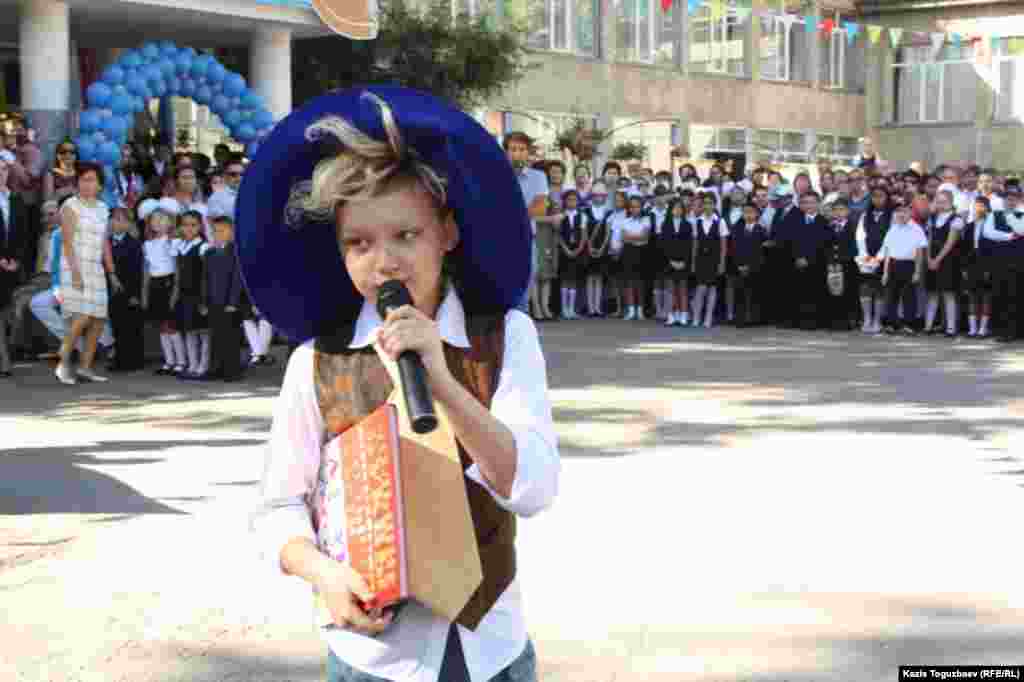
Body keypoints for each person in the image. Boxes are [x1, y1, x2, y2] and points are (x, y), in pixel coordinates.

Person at [244, 86, 558, 682]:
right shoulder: (316, 361)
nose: (383, 261)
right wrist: (321, 574)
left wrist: (443, 380)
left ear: (447, 233)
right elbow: (278, 505)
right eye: (359, 243)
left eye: (405, 236)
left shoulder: (504, 338)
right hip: (373, 658)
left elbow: (536, 487)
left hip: (491, 649)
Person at [55, 162, 114, 384]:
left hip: (95, 267)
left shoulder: (102, 208)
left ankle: (85, 368)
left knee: (98, 319)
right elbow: (67, 243)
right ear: (77, 182)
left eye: (92, 180)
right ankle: (62, 364)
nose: (87, 184)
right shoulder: (70, 206)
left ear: (99, 185)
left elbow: (104, 241)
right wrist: (76, 273)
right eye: (83, 179)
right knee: (81, 317)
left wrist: (111, 270)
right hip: (74, 266)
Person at [504, 132, 548, 316]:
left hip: (525, 238)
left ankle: (519, 328)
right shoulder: (496, 175)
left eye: (522, 149)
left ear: (528, 152)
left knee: (524, 287)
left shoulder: (538, 177)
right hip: (501, 239)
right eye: (513, 149)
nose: (517, 153)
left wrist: (510, 212)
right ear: (505, 152)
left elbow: (539, 209)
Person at [141, 208, 186, 374]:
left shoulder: (172, 241)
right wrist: (144, 294)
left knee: (171, 325)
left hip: (169, 282)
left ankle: (181, 361)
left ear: (170, 223)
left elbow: (177, 268)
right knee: (161, 326)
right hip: (155, 284)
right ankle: (169, 361)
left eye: (162, 219)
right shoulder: (147, 244)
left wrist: (175, 290)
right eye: (154, 220)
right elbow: (146, 270)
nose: (158, 223)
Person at [202, 215, 246, 381]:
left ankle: (232, 370)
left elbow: (237, 279)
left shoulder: (235, 252)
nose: (218, 233)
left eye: (222, 230)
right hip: (214, 301)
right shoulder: (209, 253)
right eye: (215, 231)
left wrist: (233, 302)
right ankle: (216, 368)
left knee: (231, 338)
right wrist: (204, 301)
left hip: (229, 303)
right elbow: (204, 279)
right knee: (216, 337)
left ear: (231, 232)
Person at [171, 210, 211, 380]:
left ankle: (203, 365)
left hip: (199, 295)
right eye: (185, 225)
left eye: (193, 225)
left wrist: (204, 299)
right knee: (188, 331)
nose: (188, 228)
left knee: (204, 332)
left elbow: (206, 275)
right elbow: (178, 273)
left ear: (200, 226)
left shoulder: (203, 246)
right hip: (184, 295)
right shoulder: (179, 246)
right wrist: (175, 293)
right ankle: (192, 364)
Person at [0, 159, 29, 378]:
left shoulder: (16, 199)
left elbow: (24, 233)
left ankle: (7, 355)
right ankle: (4, 361)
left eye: (3, 169)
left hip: (13, 266)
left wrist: (17, 260)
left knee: (12, 312)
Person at [107, 207, 145, 371]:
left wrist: (134, 294)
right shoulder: (106, 243)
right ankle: (120, 359)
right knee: (117, 326)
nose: (118, 223)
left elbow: (137, 271)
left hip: (129, 290)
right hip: (112, 292)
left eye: (123, 220)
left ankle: (133, 360)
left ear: (129, 224)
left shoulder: (134, 244)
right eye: (115, 219)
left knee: (131, 327)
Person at [922, 190, 964, 337]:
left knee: (948, 294)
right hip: (932, 258)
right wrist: (928, 259)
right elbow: (928, 240)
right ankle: (928, 326)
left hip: (949, 260)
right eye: (938, 201)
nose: (941, 204)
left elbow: (950, 243)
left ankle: (951, 328)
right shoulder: (932, 218)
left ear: (951, 202)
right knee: (932, 293)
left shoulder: (956, 219)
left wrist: (937, 259)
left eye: (944, 201)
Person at [880, 205, 927, 335]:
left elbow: (919, 252)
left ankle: (909, 324)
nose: (901, 214)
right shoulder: (893, 228)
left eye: (904, 212)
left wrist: (917, 271)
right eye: (898, 212)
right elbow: (888, 251)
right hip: (893, 264)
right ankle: (891, 324)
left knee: (909, 296)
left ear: (910, 213)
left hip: (909, 264)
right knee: (891, 296)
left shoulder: (916, 229)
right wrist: (885, 272)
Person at [855, 188, 891, 333]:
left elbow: (890, 237)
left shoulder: (892, 216)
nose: (877, 199)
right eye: (874, 197)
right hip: (866, 257)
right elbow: (860, 236)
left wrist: (879, 257)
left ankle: (877, 320)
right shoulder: (865, 215)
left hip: (883, 257)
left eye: (881, 196)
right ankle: (867, 318)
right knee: (865, 288)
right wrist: (864, 255)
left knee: (879, 289)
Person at [690, 191, 727, 329]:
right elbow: (695, 244)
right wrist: (693, 263)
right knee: (700, 288)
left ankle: (708, 318)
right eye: (705, 203)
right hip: (701, 259)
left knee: (712, 288)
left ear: (715, 205)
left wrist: (722, 263)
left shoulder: (720, 221)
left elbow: (723, 245)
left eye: (710, 203)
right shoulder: (697, 221)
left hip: (714, 259)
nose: (707, 206)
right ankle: (696, 317)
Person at [822, 198, 858, 331]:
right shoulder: (829, 226)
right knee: (833, 291)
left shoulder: (853, 226)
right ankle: (834, 320)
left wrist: (844, 259)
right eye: (835, 210)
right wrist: (830, 260)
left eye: (841, 209)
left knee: (847, 292)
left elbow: (854, 245)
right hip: (832, 264)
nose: (838, 213)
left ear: (848, 211)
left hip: (847, 263)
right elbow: (825, 245)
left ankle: (847, 320)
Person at [615, 195, 650, 322]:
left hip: (642, 253)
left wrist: (632, 237)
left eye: (637, 206)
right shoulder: (625, 221)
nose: (634, 209)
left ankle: (640, 311)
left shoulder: (646, 220)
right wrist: (637, 236)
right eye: (632, 207)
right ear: (629, 209)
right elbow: (624, 238)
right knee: (629, 282)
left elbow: (645, 237)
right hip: (628, 252)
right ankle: (630, 310)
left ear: (641, 208)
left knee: (640, 282)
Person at [660, 197, 693, 326]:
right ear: (671, 210)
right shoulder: (665, 224)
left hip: (684, 262)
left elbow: (689, 245)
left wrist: (684, 261)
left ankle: (683, 314)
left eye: (680, 208)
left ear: (683, 210)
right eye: (675, 208)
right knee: (671, 290)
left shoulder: (688, 224)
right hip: (669, 261)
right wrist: (670, 261)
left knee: (683, 290)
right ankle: (671, 315)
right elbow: (664, 244)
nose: (677, 210)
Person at [557, 189, 587, 320]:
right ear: (564, 201)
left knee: (573, 279)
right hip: (564, 250)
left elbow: (584, 235)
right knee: (564, 279)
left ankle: (571, 309)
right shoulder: (561, 215)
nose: (572, 202)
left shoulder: (582, 216)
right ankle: (564, 309)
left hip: (577, 249)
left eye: (574, 200)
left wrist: (578, 249)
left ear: (578, 201)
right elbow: (558, 235)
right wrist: (566, 249)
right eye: (569, 199)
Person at [583, 180, 611, 317]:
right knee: (589, 278)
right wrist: (589, 246)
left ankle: (597, 308)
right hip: (588, 248)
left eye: (601, 195)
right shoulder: (585, 210)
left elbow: (608, 232)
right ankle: (590, 307)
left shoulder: (608, 212)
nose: (598, 197)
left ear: (605, 196)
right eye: (595, 195)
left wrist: (602, 248)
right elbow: (584, 231)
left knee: (599, 278)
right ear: (591, 196)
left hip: (602, 248)